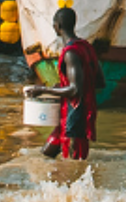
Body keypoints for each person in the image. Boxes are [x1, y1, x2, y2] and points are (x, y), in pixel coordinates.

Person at [22, 8, 104, 159]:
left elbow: (74, 90)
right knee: (46, 155)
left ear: (57, 26)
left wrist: (43, 90)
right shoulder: (87, 47)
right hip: (76, 112)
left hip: (75, 114)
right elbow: (99, 82)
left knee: (74, 165)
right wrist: (62, 87)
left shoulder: (70, 53)